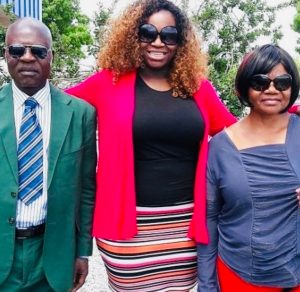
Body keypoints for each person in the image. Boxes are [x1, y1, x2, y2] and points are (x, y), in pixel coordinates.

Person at [66, 0, 236, 290]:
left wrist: (290, 116)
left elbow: (239, 132)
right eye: (149, 32)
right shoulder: (108, 82)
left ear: (180, 41)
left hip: (185, 226)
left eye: (169, 35)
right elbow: (58, 106)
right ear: (134, 36)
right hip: (126, 226)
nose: (159, 42)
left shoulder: (198, 87)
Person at [0, 17, 97, 292]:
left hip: (53, 255)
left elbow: (87, 190)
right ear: (6, 55)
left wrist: (82, 251)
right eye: (17, 50)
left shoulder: (80, 114)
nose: (27, 58)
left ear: (51, 57)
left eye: (38, 51)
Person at [197, 44, 300, 291]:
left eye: (282, 82)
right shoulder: (220, 147)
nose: (272, 90)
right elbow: (209, 220)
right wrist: (207, 284)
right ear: (244, 87)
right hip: (238, 274)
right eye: (260, 82)